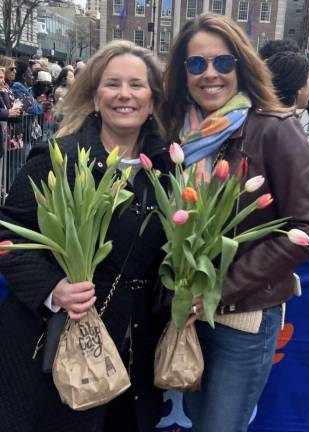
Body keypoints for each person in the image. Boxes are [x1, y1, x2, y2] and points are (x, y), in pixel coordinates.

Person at [163, 13, 309, 432]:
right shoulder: (180, 132)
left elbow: (307, 229)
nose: (210, 74)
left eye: (223, 62)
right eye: (196, 64)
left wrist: (221, 290)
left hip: (243, 318)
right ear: (183, 73)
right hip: (188, 315)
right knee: (196, 421)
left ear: (243, 65)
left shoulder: (273, 129)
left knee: (220, 425)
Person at [0, 40, 170, 432]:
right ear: (95, 98)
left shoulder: (166, 172)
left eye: (136, 85)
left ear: (153, 101)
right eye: (112, 84)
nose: (124, 94)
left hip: (128, 367)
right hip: (51, 356)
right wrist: (53, 289)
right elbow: (8, 236)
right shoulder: (57, 159)